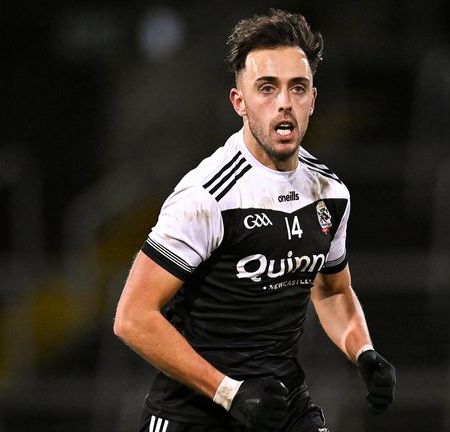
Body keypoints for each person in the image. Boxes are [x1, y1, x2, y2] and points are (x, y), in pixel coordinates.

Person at [113, 8, 396, 432]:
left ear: (313, 100)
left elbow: (333, 290)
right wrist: (228, 391)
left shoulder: (329, 193)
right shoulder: (207, 196)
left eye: (297, 88)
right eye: (267, 88)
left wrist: (363, 350)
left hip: (279, 405)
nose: (284, 103)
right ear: (239, 102)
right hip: (196, 411)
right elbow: (133, 317)